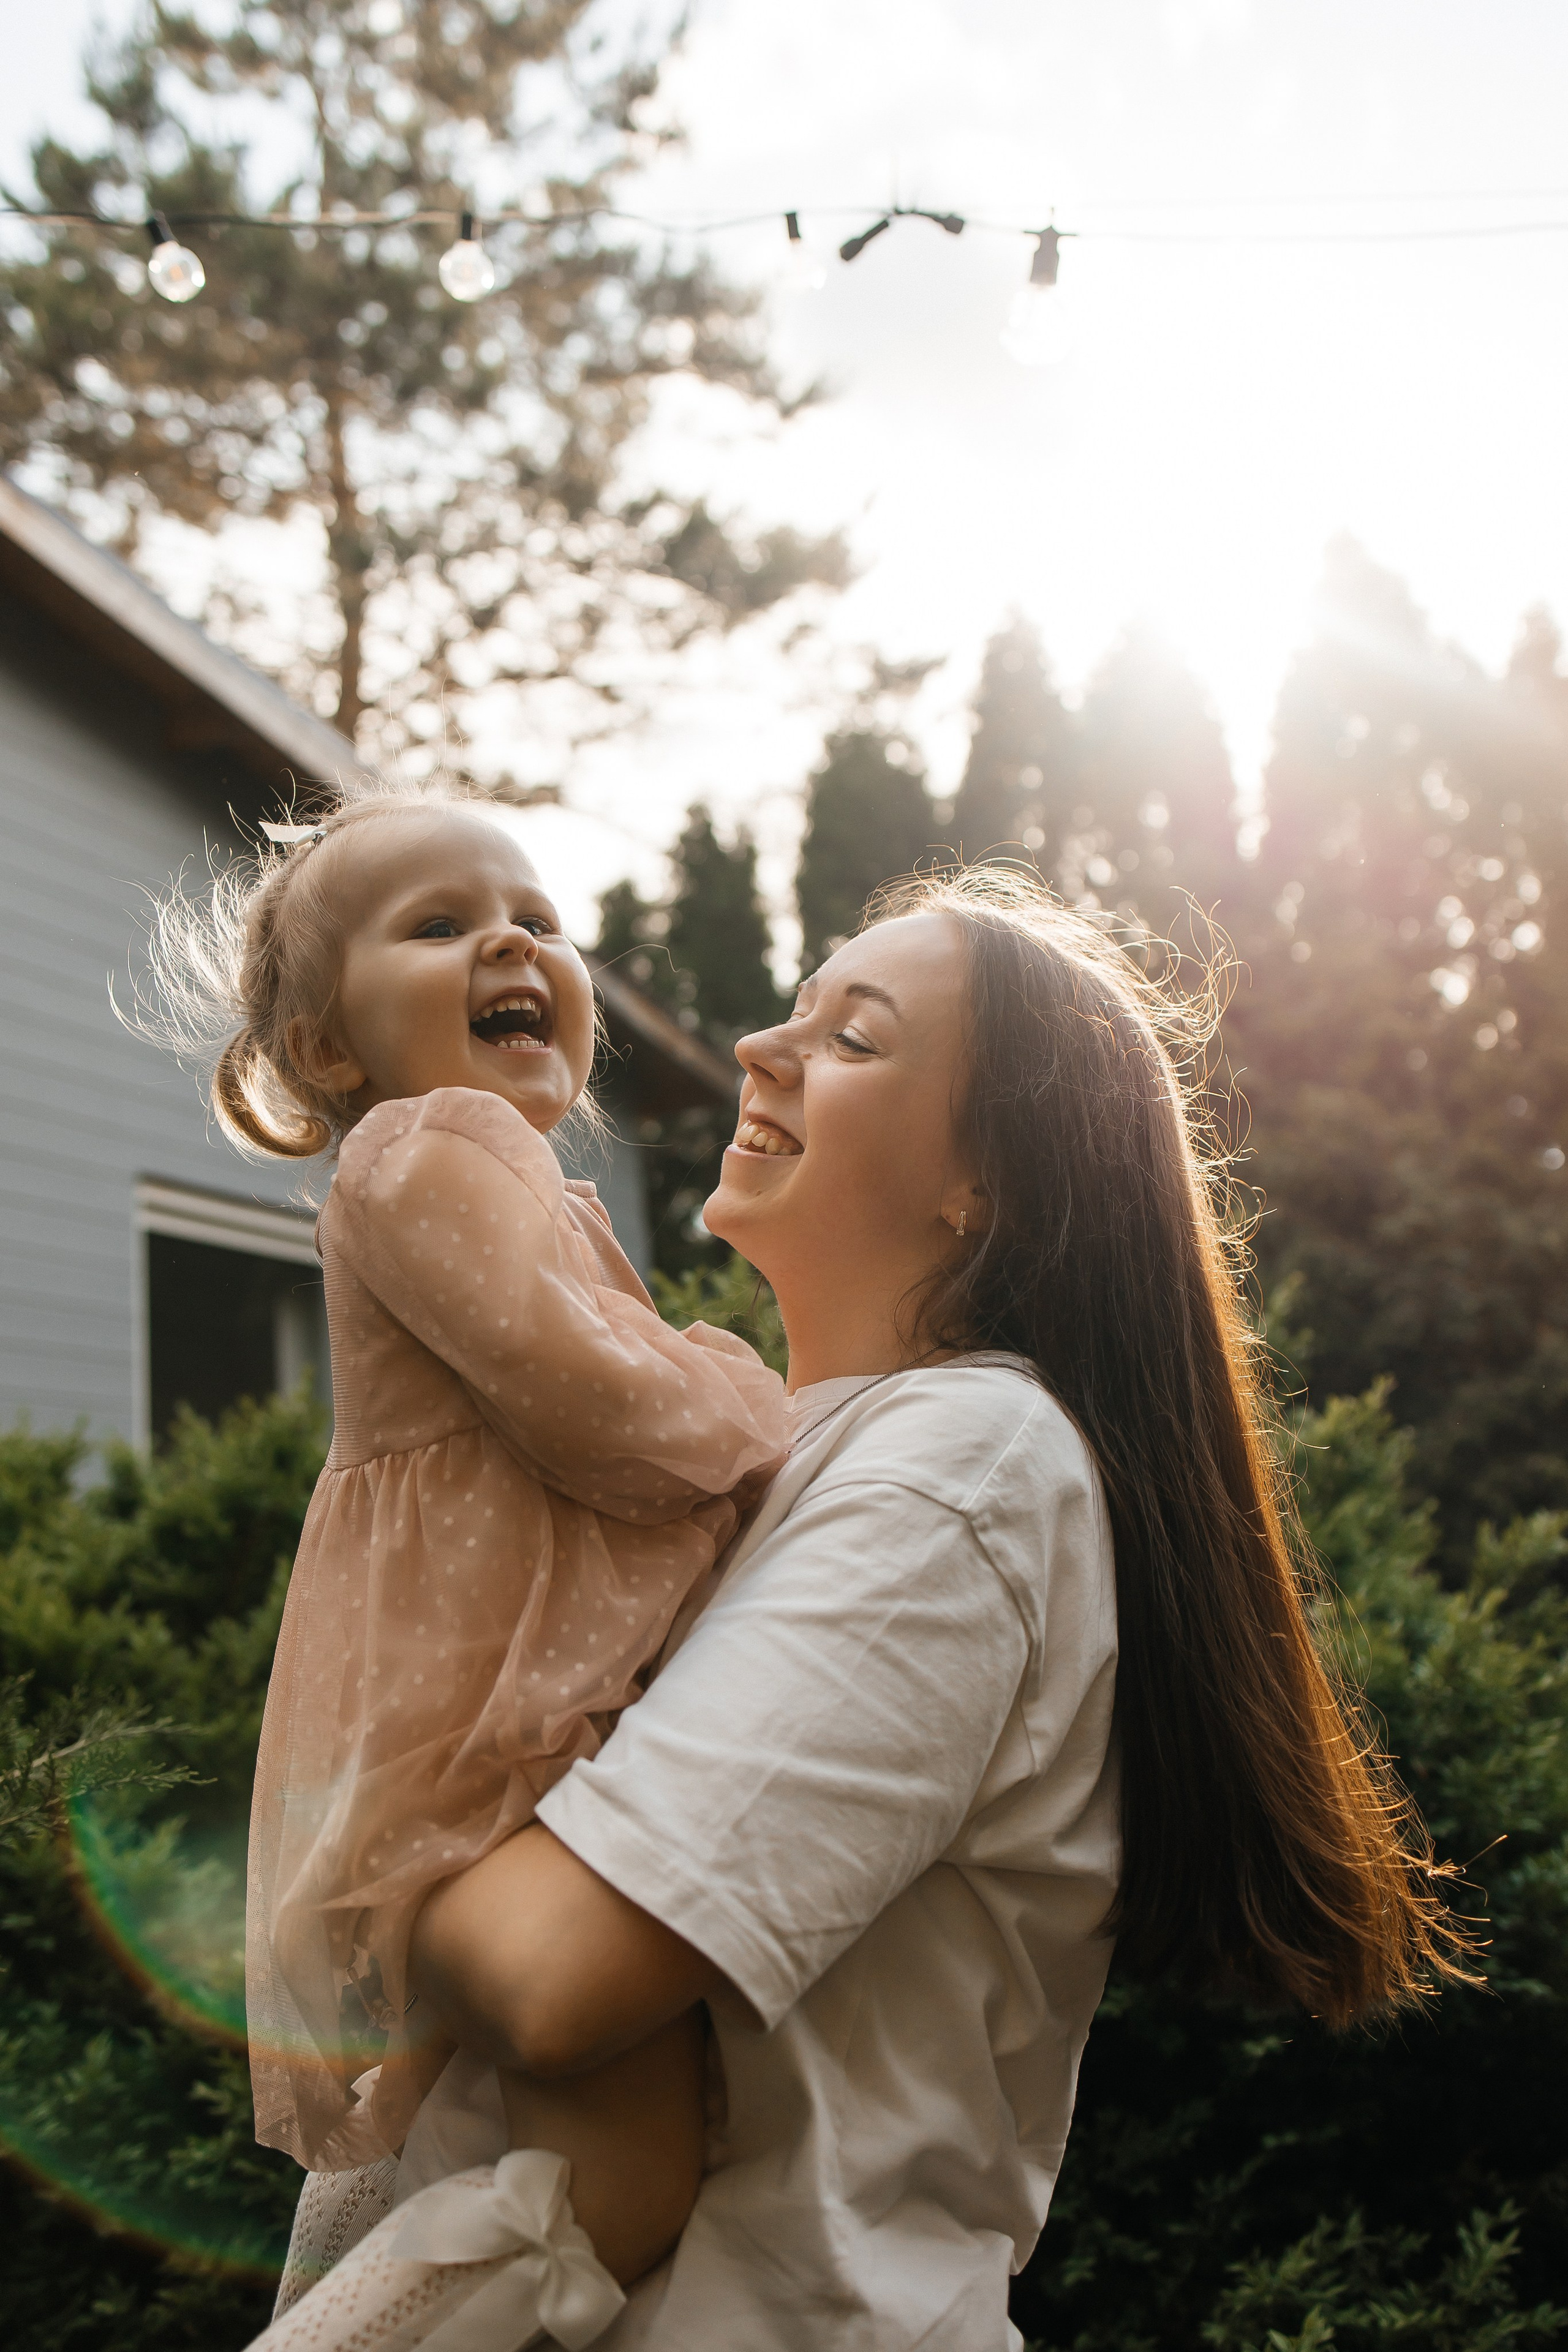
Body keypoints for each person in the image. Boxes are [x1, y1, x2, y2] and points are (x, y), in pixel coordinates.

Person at [371, 865, 1468, 2351]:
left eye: (854, 1037)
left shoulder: (965, 1467)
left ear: (986, 1185)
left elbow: (557, 1977)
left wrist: (355, 1836)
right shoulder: (773, 1456)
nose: (762, 1047)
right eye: (797, 1009)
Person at [141, 786, 788, 2347]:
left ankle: (330, 2296)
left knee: (466, 2134)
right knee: (617, 2182)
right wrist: (769, 1412)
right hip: (502, 1722)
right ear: (326, 1053)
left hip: (500, 1709)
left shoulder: (494, 1173)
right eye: (437, 927)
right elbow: (599, 1412)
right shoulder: (424, 1150)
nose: (509, 937)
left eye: (535, 920)